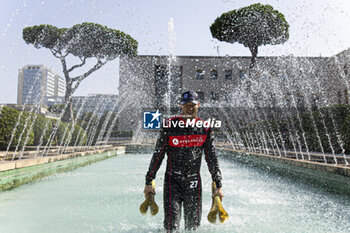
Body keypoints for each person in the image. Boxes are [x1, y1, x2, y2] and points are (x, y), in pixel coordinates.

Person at [143, 90, 223, 232]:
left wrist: (218, 184)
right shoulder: (169, 127)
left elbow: (211, 158)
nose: (190, 107)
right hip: (172, 182)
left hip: (193, 183)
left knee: (193, 228)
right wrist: (149, 181)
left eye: (193, 104)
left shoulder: (204, 128)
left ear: (198, 105)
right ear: (180, 105)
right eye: (186, 105)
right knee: (171, 227)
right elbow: (158, 155)